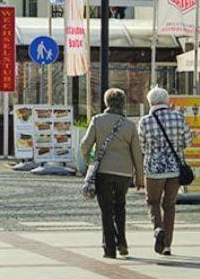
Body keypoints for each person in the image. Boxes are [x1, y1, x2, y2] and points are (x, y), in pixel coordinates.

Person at [80, 86, 144, 258]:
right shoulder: (130, 125)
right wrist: (139, 177)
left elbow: (84, 145)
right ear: (123, 104)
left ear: (106, 102)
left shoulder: (97, 120)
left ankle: (110, 248)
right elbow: (137, 153)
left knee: (106, 210)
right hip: (124, 174)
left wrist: (89, 162)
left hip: (103, 172)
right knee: (120, 207)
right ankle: (121, 241)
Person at [139, 87, 191, 257]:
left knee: (153, 201)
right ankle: (167, 245)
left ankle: (157, 229)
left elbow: (142, 145)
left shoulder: (145, 121)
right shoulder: (179, 117)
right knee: (169, 205)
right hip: (175, 168)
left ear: (150, 102)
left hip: (153, 169)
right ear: (167, 101)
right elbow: (188, 141)